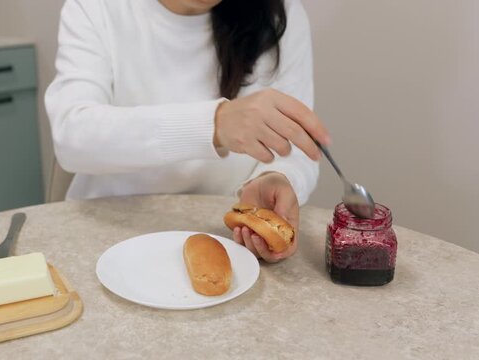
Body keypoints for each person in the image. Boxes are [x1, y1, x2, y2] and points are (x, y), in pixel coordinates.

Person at [45, 0, 331, 262]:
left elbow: (296, 145)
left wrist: (279, 177)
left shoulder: (280, 14)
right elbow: (72, 135)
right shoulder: (98, 8)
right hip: (106, 237)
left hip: (227, 243)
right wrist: (214, 124)